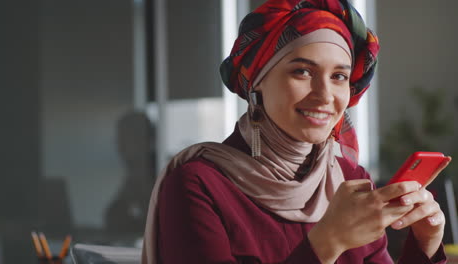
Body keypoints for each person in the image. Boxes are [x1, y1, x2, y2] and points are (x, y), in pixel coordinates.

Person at [141, 0, 452, 263]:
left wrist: (426, 242)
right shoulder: (198, 183)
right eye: (302, 71)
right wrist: (327, 243)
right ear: (257, 78)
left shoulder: (350, 177)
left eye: (339, 76)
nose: (325, 95)